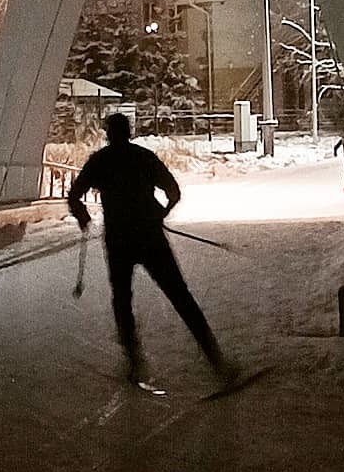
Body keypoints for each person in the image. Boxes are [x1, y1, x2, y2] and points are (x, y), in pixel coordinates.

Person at [68, 112, 235, 387]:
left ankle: (134, 362)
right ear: (129, 132)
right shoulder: (143, 157)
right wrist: (161, 214)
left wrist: (84, 218)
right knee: (180, 295)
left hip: (119, 240)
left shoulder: (100, 161)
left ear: (109, 134)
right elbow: (173, 191)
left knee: (122, 300)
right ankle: (216, 358)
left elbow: (75, 195)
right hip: (149, 236)